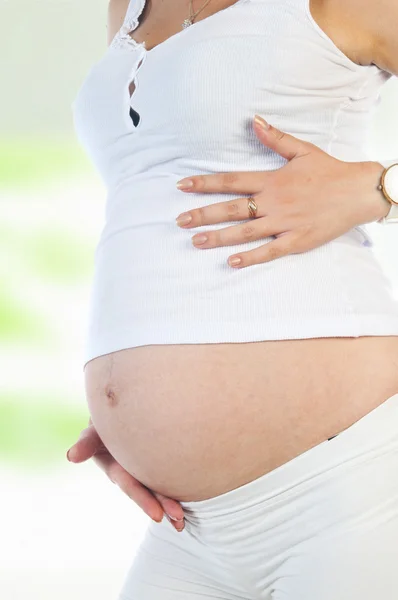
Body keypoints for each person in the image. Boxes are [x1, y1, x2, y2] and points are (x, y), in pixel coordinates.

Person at [68, 0, 398, 597]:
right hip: (188, 523)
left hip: (344, 486)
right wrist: (134, 414)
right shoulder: (128, 8)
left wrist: (375, 188)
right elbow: (153, 194)